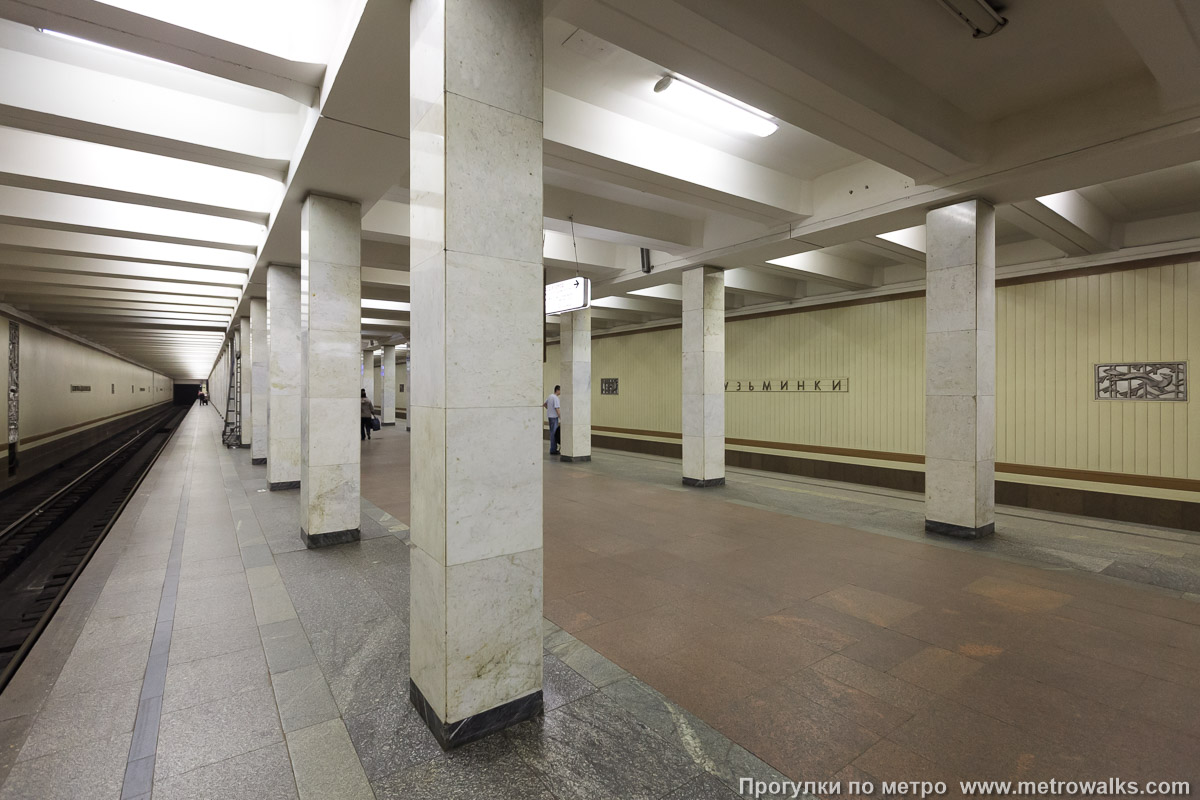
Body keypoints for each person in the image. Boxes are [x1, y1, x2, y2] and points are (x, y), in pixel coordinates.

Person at [544, 385, 561, 455]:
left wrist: (549, 409)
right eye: (560, 390)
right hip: (554, 417)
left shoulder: (550, 396)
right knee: (554, 434)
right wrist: (560, 417)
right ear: (557, 390)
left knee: (551, 433)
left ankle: (552, 448)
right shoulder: (555, 398)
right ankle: (553, 450)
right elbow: (557, 408)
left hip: (550, 417)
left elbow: (545, 404)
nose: (561, 392)